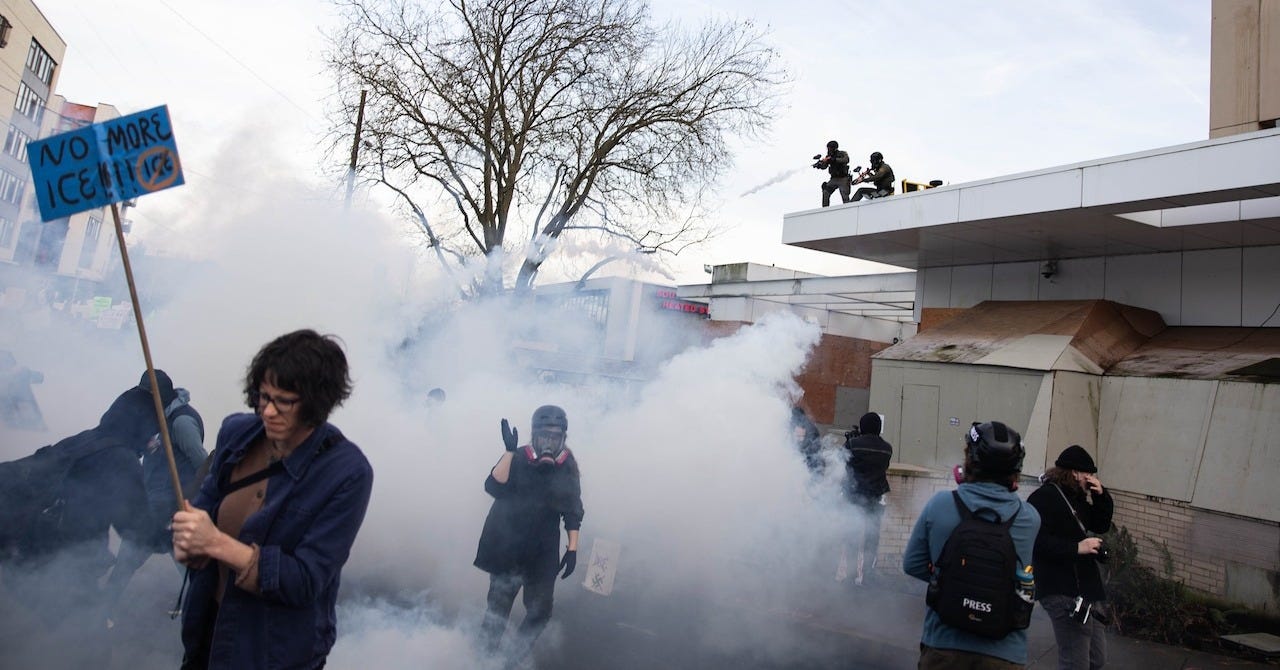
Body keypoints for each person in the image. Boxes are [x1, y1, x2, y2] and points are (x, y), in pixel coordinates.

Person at [172, 330, 374, 670]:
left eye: (284, 401)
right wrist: (187, 542)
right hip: (209, 629)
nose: (268, 411)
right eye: (263, 397)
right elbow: (203, 510)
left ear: (316, 403)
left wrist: (217, 543)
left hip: (274, 650)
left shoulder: (347, 473)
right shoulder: (237, 433)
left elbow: (306, 580)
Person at [904, 421, 1041, 669]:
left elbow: (913, 564)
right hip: (1004, 653)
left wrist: (951, 580)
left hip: (945, 645)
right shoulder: (1029, 518)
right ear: (1016, 469)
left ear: (970, 460)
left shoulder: (941, 504)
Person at [475, 405, 583, 661]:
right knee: (497, 612)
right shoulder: (519, 456)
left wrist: (572, 548)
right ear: (534, 435)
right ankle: (481, 661)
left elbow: (573, 509)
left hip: (542, 552)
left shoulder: (567, 465)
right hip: (507, 545)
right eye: (544, 436)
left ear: (563, 438)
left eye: (555, 437)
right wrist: (509, 452)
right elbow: (493, 487)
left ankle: (511, 661)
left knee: (540, 612)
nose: (549, 442)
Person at [103, 369, 207, 619]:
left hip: (172, 510)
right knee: (127, 563)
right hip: (152, 507)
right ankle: (103, 611)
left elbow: (203, 465)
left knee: (186, 570)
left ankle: (202, 619)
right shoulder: (157, 420)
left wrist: (188, 504)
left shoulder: (181, 422)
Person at [1027, 445, 1114, 670]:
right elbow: (1036, 542)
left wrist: (1102, 496)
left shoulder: (1077, 499)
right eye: (1088, 474)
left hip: (1086, 590)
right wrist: (1077, 548)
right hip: (1061, 589)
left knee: (1097, 658)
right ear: (1075, 473)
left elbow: (1100, 524)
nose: (1091, 478)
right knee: (1076, 662)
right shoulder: (1044, 498)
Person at [842, 411, 892, 585]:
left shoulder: (853, 444)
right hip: (875, 499)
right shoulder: (887, 448)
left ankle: (849, 577)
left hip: (855, 498)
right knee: (871, 540)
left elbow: (843, 462)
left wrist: (849, 442)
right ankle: (868, 577)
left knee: (852, 539)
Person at [817, 139, 853, 207]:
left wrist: (834, 160)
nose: (828, 149)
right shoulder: (828, 156)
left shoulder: (842, 153)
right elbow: (824, 166)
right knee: (826, 192)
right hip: (834, 179)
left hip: (843, 178)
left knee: (845, 196)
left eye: (830, 148)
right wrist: (820, 165)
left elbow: (846, 160)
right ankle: (825, 209)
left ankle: (848, 209)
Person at [790, 404, 823, 475]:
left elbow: (802, 445)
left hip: (810, 462)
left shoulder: (804, 426)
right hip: (813, 460)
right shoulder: (809, 425)